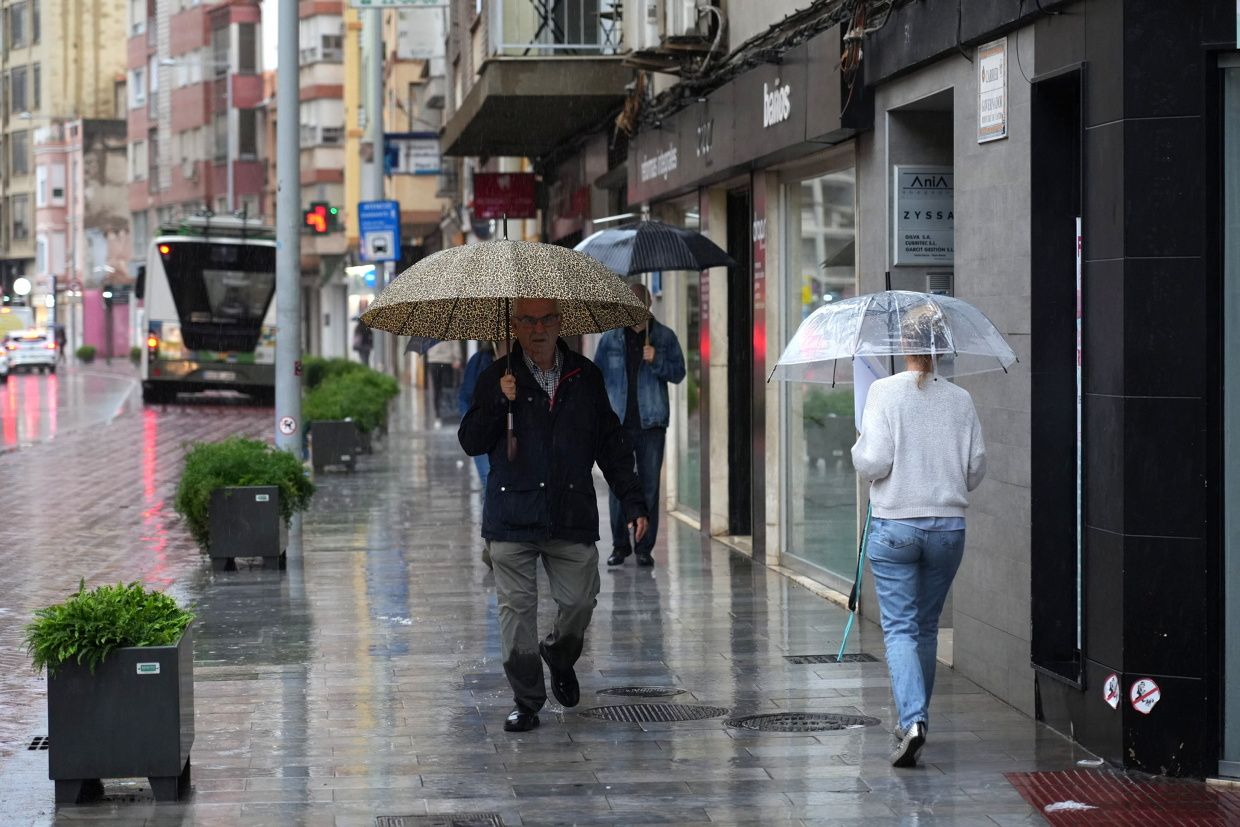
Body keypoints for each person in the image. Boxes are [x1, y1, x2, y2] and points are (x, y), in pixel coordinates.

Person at [459, 298, 649, 733]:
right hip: (511, 514)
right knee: (516, 612)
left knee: (580, 601)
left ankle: (560, 655)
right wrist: (495, 403)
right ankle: (526, 700)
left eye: (546, 319)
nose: (538, 328)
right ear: (515, 325)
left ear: (560, 323)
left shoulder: (586, 376)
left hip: (569, 510)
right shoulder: (497, 376)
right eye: (527, 320)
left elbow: (612, 445)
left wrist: (634, 501)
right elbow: (470, 441)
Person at [850, 307, 987, 769]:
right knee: (925, 627)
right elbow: (975, 468)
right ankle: (914, 719)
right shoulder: (961, 399)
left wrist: (858, 446)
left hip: (896, 526)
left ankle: (913, 721)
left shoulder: (883, 393)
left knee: (901, 628)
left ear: (904, 346)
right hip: (948, 528)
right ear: (940, 347)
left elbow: (874, 462)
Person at [593, 283, 685, 567]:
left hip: (651, 424)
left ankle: (644, 547)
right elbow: (596, 377)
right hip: (617, 424)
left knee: (648, 487)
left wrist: (657, 360)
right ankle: (620, 545)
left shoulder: (664, 337)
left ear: (647, 306)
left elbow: (679, 373)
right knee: (619, 484)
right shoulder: (610, 339)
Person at [458, 340, 506, 570]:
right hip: (485, 435)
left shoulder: (529, 360)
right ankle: (493, 543)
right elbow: (466, 397)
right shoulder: (479, 362)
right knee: (491, 485)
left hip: (514, 437)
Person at [425, 339, 461, 421]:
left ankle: (443, 412)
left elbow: (455, 343)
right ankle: (438, 412)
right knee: (439, 388)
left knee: (445, 387)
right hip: (435, 360)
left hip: (445, 361)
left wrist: (457, 358)